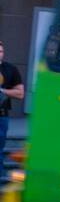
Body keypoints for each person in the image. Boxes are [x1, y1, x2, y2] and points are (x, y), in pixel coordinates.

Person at [0, 40, 24, 174]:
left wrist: (3, 92)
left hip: (1, 116)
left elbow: (20, 93)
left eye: (1, 51)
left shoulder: (10, 69)